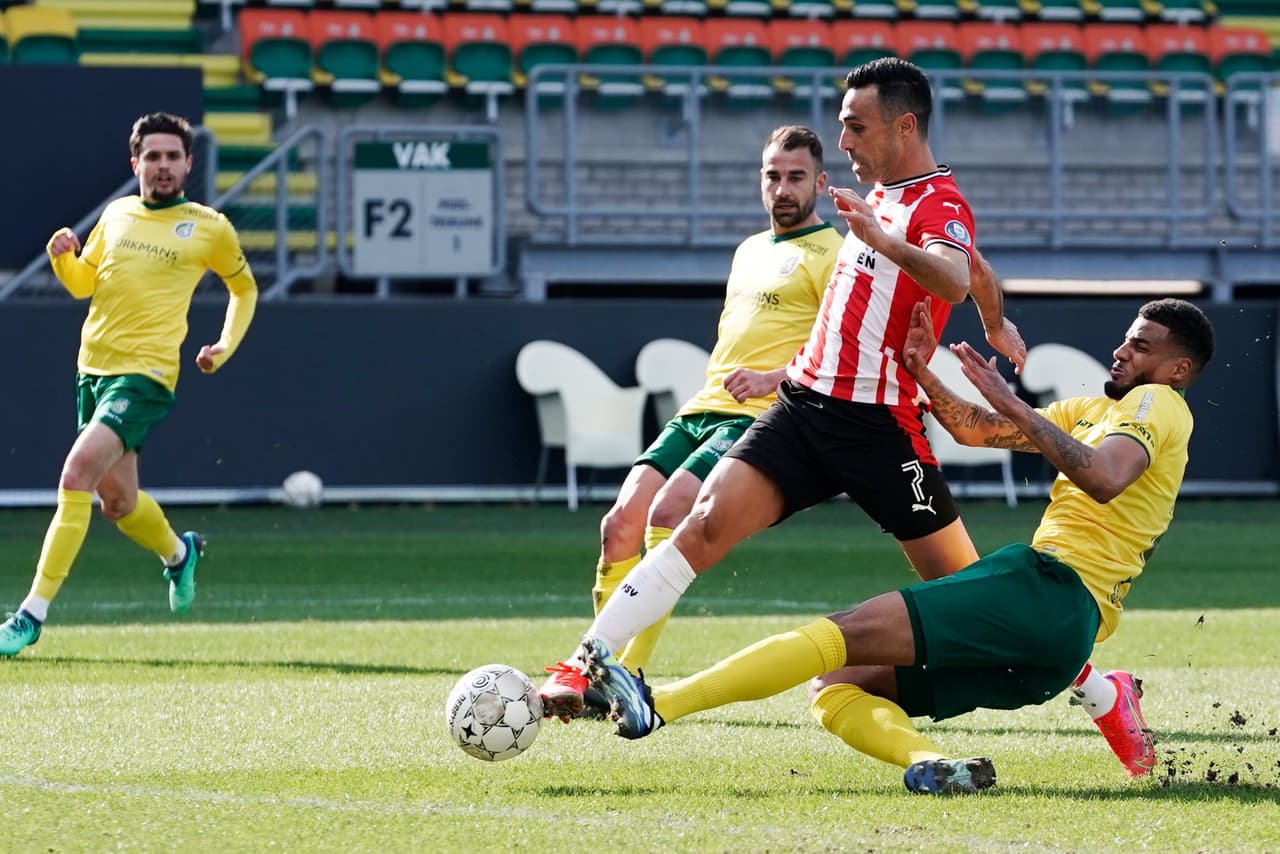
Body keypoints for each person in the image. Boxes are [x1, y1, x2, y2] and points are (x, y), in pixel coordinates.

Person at [539, 56, 1154, 777]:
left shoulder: (937, 202)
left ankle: (1100, 688)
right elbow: (978, 276)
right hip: (802, 407)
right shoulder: (882, 194)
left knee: (967, 590)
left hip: (880, 431)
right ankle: (585, 666)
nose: (846, 143)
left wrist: (891, 245)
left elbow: (954, 269)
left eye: (856, 128)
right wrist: (995, 320)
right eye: (841, 126)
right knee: (701, 523)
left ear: (905, 125)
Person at [586, 297, 1214, 795]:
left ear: (1178, 369)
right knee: (840, 681)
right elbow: (976, 430)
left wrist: (1015, 407)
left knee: (844, 631)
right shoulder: (1094, 408)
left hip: (1051, 590)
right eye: (1127, 337)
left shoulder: (1158, 403)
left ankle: (658, 704)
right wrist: (925, 375)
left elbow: (1104, 478)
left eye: (1141, 344)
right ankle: (935, 762)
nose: (1122, 349)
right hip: (1056, 642)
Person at [570, 125, 843, 680]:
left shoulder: (833, 252)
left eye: (796, 177)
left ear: (820, 181)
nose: (783, 188)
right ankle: (605, 670)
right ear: (761, 181)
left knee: (670, 514)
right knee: (619, 525)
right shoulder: (748, 250)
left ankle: (626, 672)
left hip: (757, 415)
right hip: (701, 407)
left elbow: (842, 349)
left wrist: (773, 378)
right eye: (773, 176)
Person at [0, 112, 258, 657]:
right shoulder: (116, 214)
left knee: (74, 475)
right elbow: (83, 284)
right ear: (135, 161)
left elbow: (245, 289)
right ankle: (180, 555)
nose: (163, 166)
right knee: (117, 502)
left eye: (172, 157)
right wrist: (61, 258)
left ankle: (30, 614)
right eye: (153, 156)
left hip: (145, 375)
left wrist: (224, 346)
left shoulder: (209, 226)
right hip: (92, 370)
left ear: (188, 163)